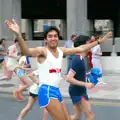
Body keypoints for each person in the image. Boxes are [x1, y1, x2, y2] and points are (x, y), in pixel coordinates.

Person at [5, 19, 112, 120]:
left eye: (55, 36)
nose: (53, 38)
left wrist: (98, 42)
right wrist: (18, 35)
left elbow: (81, 48)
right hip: (46, 91)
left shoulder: (61, 50)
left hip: (56, 90)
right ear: (45, 39)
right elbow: (27, 51)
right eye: (50, 36)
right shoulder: (43, 51)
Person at [66, 35, 102, 120]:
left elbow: (78, 75)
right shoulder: (78, 59)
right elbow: (69, 78)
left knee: (76, 116)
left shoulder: (81, 58)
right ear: (83, 46)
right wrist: (86, 84)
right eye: (89, 43)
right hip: (77, 91)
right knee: (90, 115)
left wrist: (89, 77)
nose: (90, 46)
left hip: (79, 90)